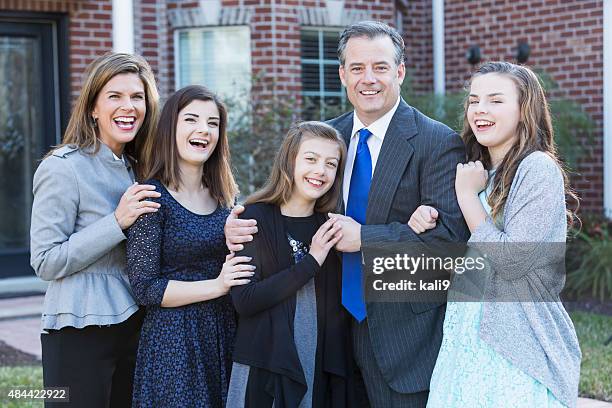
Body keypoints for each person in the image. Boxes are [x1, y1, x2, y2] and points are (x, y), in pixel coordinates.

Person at [225, 21, 469, 407]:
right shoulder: (327, 139)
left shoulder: (437, 142)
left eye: (380, 67)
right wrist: (239, 221)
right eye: (356, 68)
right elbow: (291, 207)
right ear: (342, 74)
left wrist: (366, 238)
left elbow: (450, 244)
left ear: (400, 71)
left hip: (401, 338)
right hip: (326, 334)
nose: (368, 79)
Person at [408, 61, 582, 408]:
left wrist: (466, 198)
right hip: (464, 342)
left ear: (524, 110)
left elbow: (512, 261)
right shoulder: (479, 170)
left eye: (495, 100)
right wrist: (424, 218)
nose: (480, 110)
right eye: (474, 100)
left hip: (515, 348)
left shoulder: (537, 169)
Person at [30, 52, 160, 408]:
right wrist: (116, 222)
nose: (128, 106)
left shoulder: (141, 168)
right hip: (78, 331)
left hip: (135, 326)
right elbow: (45, 261)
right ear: (93, 108)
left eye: (137, 97)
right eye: (114, 97)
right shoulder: (63, 168)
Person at [126, 85, 244, 408]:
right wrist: (218, 285)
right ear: (171, 128)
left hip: (222, 333)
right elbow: (146, 288)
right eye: (191, 119)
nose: (203, 130)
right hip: (173, 342)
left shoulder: (227, 196)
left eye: (213, 123)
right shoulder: (151, 197)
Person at [225, 121, 355, 408]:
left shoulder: (333, 226)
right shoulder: (253, 218)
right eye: (311, 159)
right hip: (264, 364)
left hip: (316, 364)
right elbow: (244, 300)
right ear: (290, 160)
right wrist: (311, 262)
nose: (320, 171)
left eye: (331, 163)